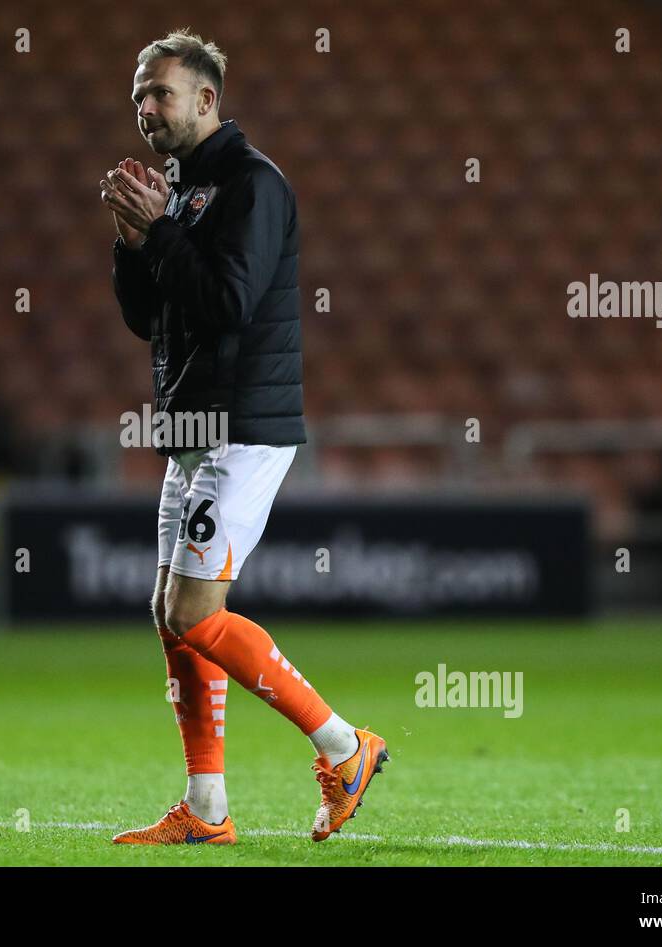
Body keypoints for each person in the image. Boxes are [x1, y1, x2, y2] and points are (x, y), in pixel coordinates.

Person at [100, 30, 387, 845]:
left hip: (244, 427)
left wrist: (158, 234)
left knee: (195, 609)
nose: (146, 108)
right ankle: (207, 808)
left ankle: (344, 744)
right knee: (170, 612)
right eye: (138, 97)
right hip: (190, 428)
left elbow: (228, 303)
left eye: (160, 92)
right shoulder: (181, 193)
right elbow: (148, 318)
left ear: (206, 100)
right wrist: (133, 246)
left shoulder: (254, 187)